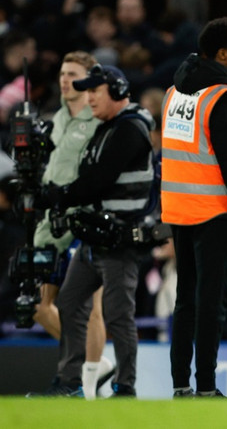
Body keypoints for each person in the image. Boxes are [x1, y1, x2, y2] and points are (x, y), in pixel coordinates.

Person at [33, 63, 155, 397]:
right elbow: (89, 179)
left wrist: (60, 195)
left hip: (120, 239)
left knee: (118, 316)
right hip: (94, 238)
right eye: (86, 91)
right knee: (69, 303)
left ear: (117, 90)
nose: (89, 98)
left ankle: (126, 387)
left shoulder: (130, 128)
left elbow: (99, 179)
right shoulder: (106, 128)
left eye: (95, 90)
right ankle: (71, 381)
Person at [161, 17, 227, 398]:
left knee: (185, 301)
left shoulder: (174, 94)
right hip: (213, 212)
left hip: (178, 209)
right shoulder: (222, 98)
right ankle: (206, 388)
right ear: (221, 55)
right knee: (211, 303)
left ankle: (180, 386)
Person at [32, 51, 114, 399]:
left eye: (73, 74)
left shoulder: (99, 120)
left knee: (90, 308)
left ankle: (84, 383)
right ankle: (95, 364)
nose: (65, 80)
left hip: (84, 220)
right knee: (37, 307)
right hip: (50, 223)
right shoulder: (58, 117)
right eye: (63, 74)